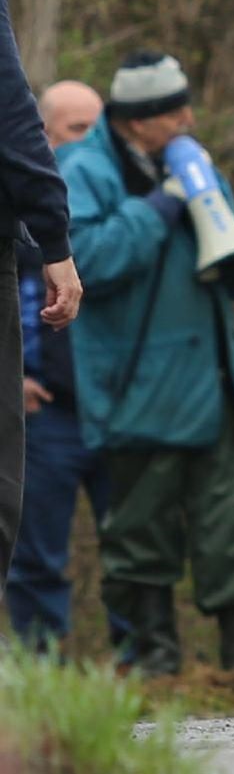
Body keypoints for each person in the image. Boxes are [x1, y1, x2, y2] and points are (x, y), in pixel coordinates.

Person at [63, 51, 234, 673]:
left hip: (211, 385)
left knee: (233, 523)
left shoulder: (192, 161)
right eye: (173, 110)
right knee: (139, 530)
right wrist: (158, 207)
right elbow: (86, 261)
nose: (188, 118)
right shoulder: (83, 169)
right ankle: (155, 657)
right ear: (136, 121)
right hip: (137, 390)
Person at [7, 82, 121, 653]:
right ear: (45, 136)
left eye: (96, 131)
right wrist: (19, 378)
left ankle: (144, 674)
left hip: (113, 407)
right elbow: (22, 299)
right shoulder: (30, 218)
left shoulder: (119, 202)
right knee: (37, 559)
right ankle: (41, 680)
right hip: (46, 409)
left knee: (128, 548)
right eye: (77, 131)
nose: (88, 144)